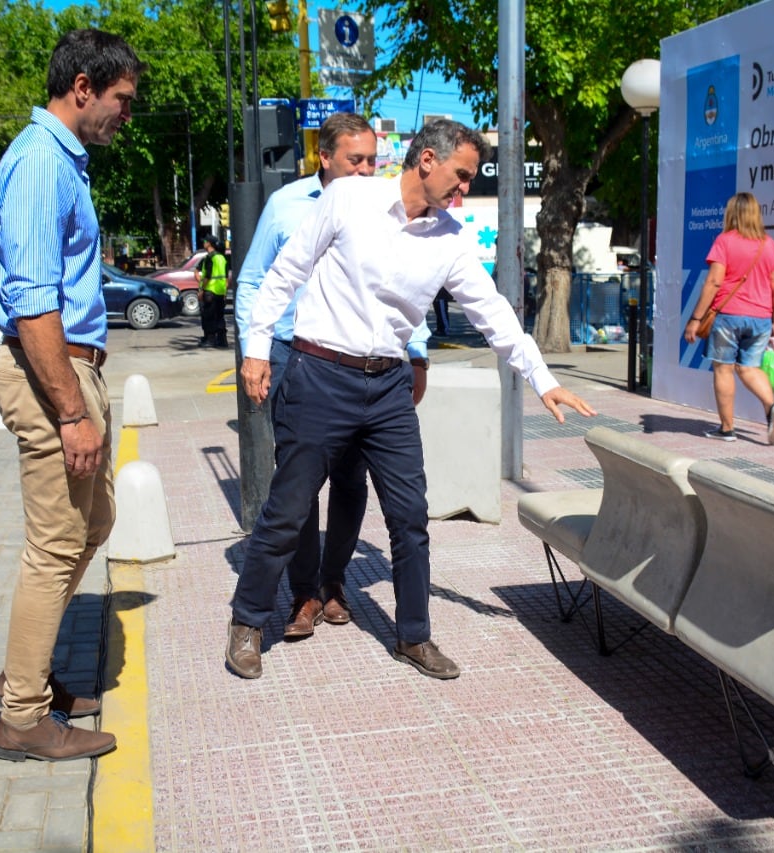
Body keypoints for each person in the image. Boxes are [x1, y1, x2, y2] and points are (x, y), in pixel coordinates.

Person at [227, 119, 597, 681]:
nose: (464, 189)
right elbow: (283, 275)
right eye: (461, 175)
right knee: (288, 509)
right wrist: (256, 350)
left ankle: (413, 636)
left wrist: (542, 378)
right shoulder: (348, 198)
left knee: (409, 518)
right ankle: (247, 621)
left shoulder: (450, 237)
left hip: (388, 389)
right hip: (320, 374)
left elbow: (492, 312)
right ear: (427, 159)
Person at [0, 28, 145, 763]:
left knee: (96, 521)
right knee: (54, 548)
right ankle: (22, 714)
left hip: (76, 367)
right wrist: (72, 412)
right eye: (121, 100)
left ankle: (28, 663)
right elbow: (33, 303)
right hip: (51, 371)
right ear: (82, 86)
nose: (126, 115)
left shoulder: (62, 163)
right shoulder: (41, 163)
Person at [234, 111, 432, 639]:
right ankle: (301, 595)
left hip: (368, 367)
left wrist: (416, 352)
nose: (368, 170)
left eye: (374, 160)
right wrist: (254, 353)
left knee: (351, 484)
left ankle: (334, 582)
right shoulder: (287, 206)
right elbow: (255, 282)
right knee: (298, 489)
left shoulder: (388, 207)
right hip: (295, 357)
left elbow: (401, 286)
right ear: (325, 158)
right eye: (356, 160)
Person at [683, 191, 774, 445]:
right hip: (761, 317)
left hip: (728, 316)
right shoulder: (768, 244)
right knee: (750, 368)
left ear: (732, 214)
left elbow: (715, 281)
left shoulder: (725, 241)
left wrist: (696, 319)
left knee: (724, 368)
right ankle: (772, 407)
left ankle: (727, 429)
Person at [196, 234, 229, 348]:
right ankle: (222, 340)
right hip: (220, 291)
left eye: (205, 241)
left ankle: (210, 340)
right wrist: (224, 292)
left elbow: (207, 276)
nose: (203, 243)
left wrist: (201, 290)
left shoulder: (210, 258)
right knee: (219, 316)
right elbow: (225, 278)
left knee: (209, 316)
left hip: (210, 290)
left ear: (209, 243)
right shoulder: (222, 258)